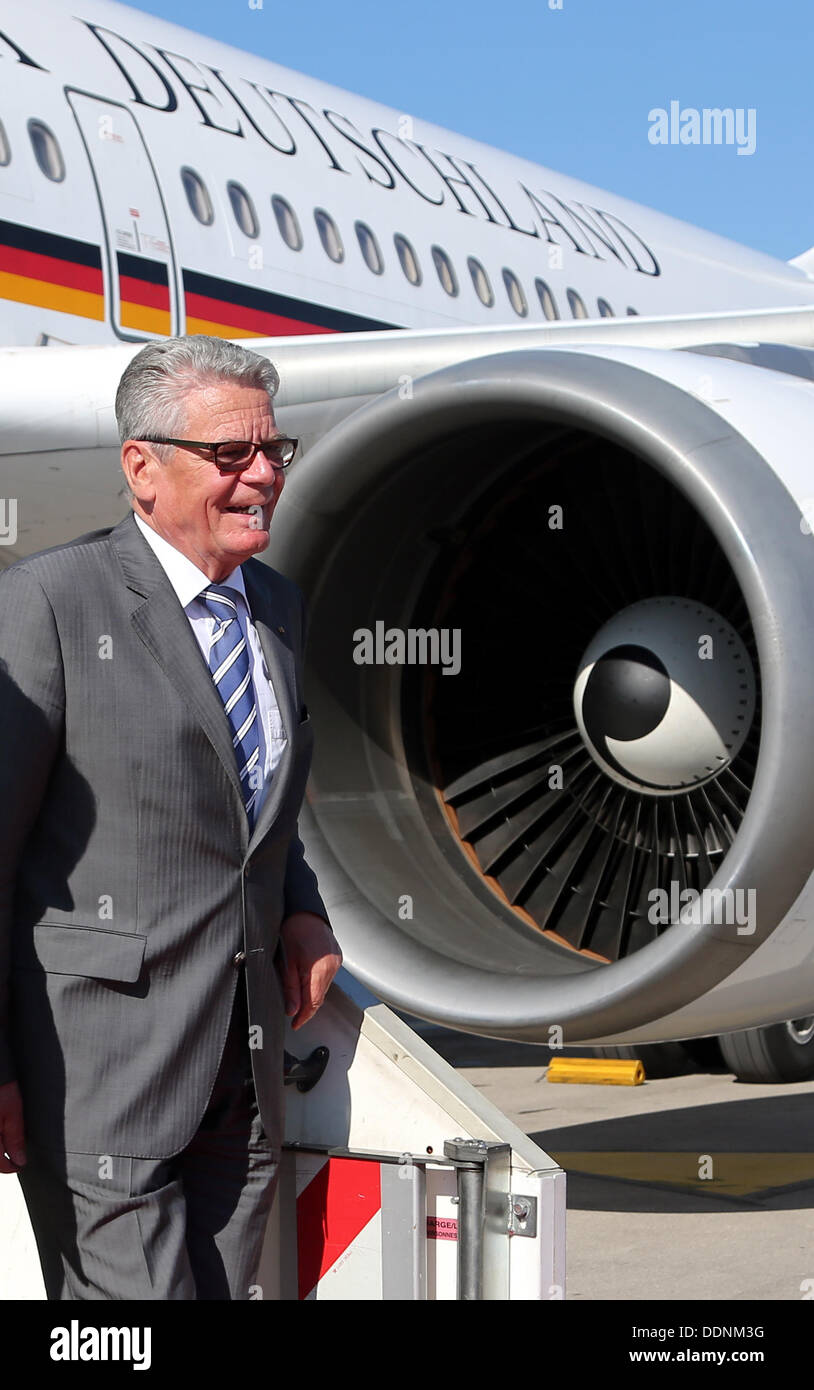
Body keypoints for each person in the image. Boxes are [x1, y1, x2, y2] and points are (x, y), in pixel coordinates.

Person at [0, 334, 342, 1300]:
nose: (264, 474)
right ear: (141, 468)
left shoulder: (275, 605)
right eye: (232, 455)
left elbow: (259, 805)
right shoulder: (47, 603)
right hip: (99, 1068)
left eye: (275, 451)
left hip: (246, 1061)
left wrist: (303, 907)